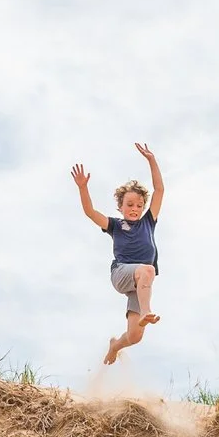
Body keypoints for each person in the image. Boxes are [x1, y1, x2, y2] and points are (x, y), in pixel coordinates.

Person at [72, 142, 166, 366]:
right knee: (148, 270)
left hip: (140, 282)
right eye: (130, 204)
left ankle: (115, 346)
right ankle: (147, 311)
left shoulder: (148, 222)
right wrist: (83, 187)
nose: (134, 208)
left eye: (139, 205)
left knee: (135, 336)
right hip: (122, 273)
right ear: (121, 207)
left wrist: (152, 160)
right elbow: (90, 212)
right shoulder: (115, 225)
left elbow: (160, 190)